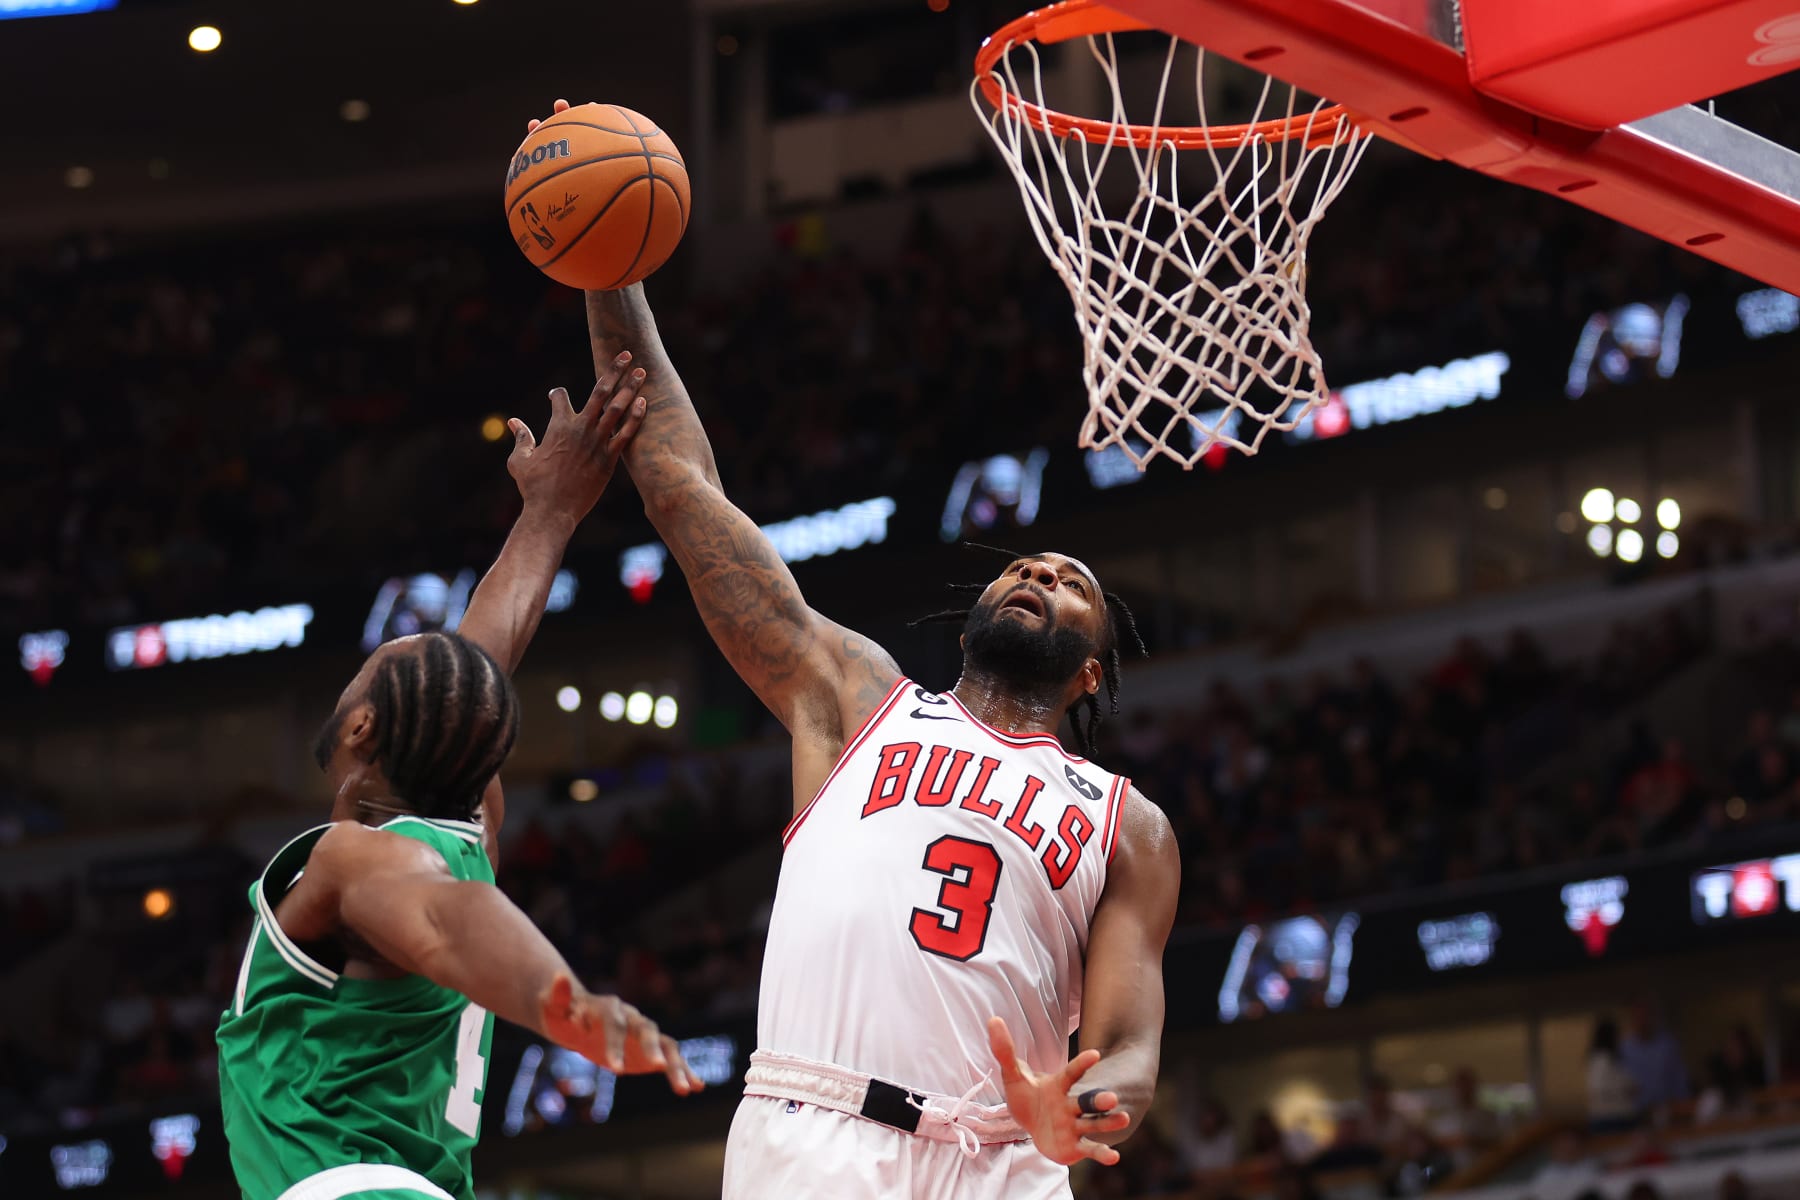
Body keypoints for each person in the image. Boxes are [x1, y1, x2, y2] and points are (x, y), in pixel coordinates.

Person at [544, 96, 1180, 1200]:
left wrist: (1082, 1108)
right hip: (818, 1133)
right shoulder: (856, 698)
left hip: (1005, 1158)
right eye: (1023, 567)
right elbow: (684, 489)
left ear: (1092, 673)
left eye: (1071, 583)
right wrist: (611, 273)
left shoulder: (1131, 827)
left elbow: (1129, 1045)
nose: (1038, 574)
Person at [215, 369, 703, 1200]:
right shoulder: (473, 828)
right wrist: (550, 512)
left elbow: (447, 917)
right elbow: (480, 662)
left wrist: (565, 1003)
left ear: (361, 727)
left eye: (373, 666)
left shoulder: (354, 857)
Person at [1588, 1016, 1639, 1133]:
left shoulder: (1614, 1059)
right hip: (1610, 1117)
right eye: (1617, 1034)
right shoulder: (1600, 1060)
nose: (1620, 1038)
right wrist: (1626, 1089)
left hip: (1619, 1116)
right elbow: (1598, 1088)